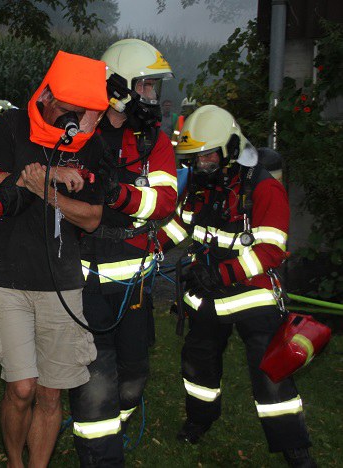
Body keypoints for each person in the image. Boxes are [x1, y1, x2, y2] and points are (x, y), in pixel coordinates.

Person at [165, 105, 315, 467]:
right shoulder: (201, 186)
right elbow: (180, 226)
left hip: (254, 297)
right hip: (207, 297)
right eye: (195, 157)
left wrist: (223, 274)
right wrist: (149, 247)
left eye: (208, 155)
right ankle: (199, 421)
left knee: (271, 376)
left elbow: (270, 250)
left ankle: (294, 447)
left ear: (231, 149)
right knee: (199, 367)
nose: (201, 164)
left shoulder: (264, 188)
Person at [0, 50, 109, 467]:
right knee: (21, 387)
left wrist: (47, 193)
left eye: (86, 112)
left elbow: (91, 218)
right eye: (70, 110)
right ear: (48, 96)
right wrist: (48, 174)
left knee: (51, 392)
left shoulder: (94, 144)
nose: (76, 119)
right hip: (8, 276)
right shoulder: (13, 124)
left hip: (62, 279)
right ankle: (15, 463)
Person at [69, 38, 178, 467]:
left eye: (154, 87)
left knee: (133, 376)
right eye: (147, 86)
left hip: (134, 286)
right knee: (95, 381)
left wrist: (122, 196)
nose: (153, 95)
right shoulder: (81, 131)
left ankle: (116, 422)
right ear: (120, 85)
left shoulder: (153, 141)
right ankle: (101, 454)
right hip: (85, 282)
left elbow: (165, 201)